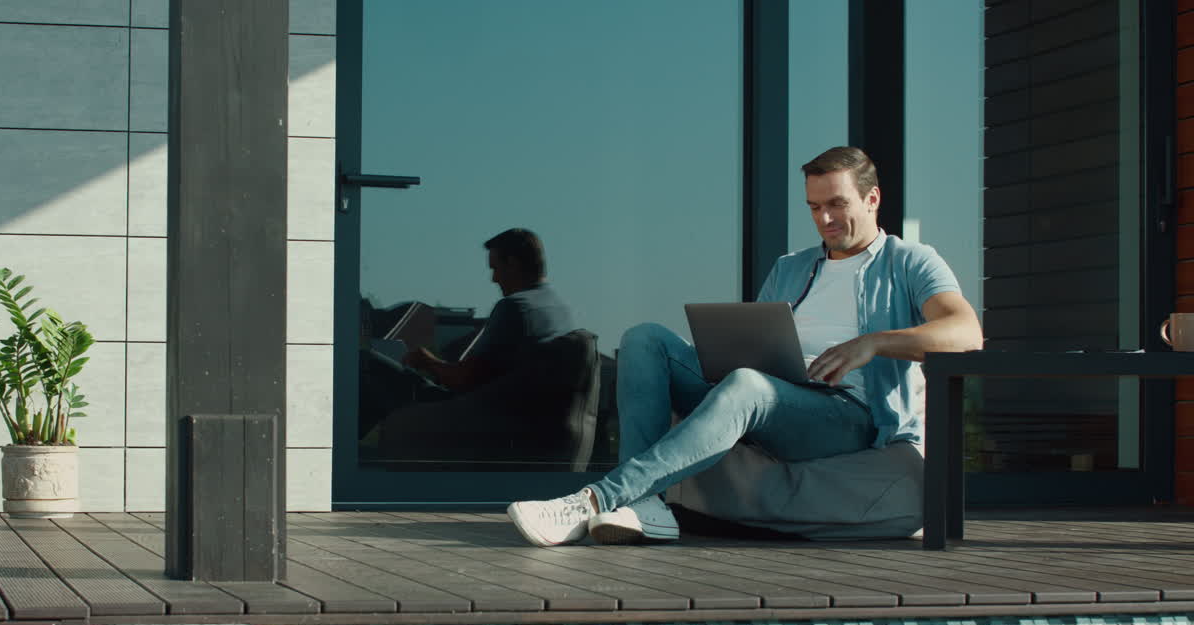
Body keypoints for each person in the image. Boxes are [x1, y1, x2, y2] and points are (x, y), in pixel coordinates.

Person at [507, 146, 983, 547]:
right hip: (773, 396)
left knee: (749, 385)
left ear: (872, 198)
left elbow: (966, 333)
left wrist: (874, 344)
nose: (825, 219)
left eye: (836, 204)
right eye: (814, 208)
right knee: (644, 338)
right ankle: (646, 504)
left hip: (846, 415)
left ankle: (595, 501)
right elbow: (758, 345)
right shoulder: (791, 267)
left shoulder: (909, 262)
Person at [359, 228, 574, 438]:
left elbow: (464, 380)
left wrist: (427, 360)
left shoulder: (516, 307)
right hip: (518, 420)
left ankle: (342, 458)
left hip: (477, 417)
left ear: (513, 264)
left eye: (495, 268)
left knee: (364, 363)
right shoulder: (560, 310)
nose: (494, 279)